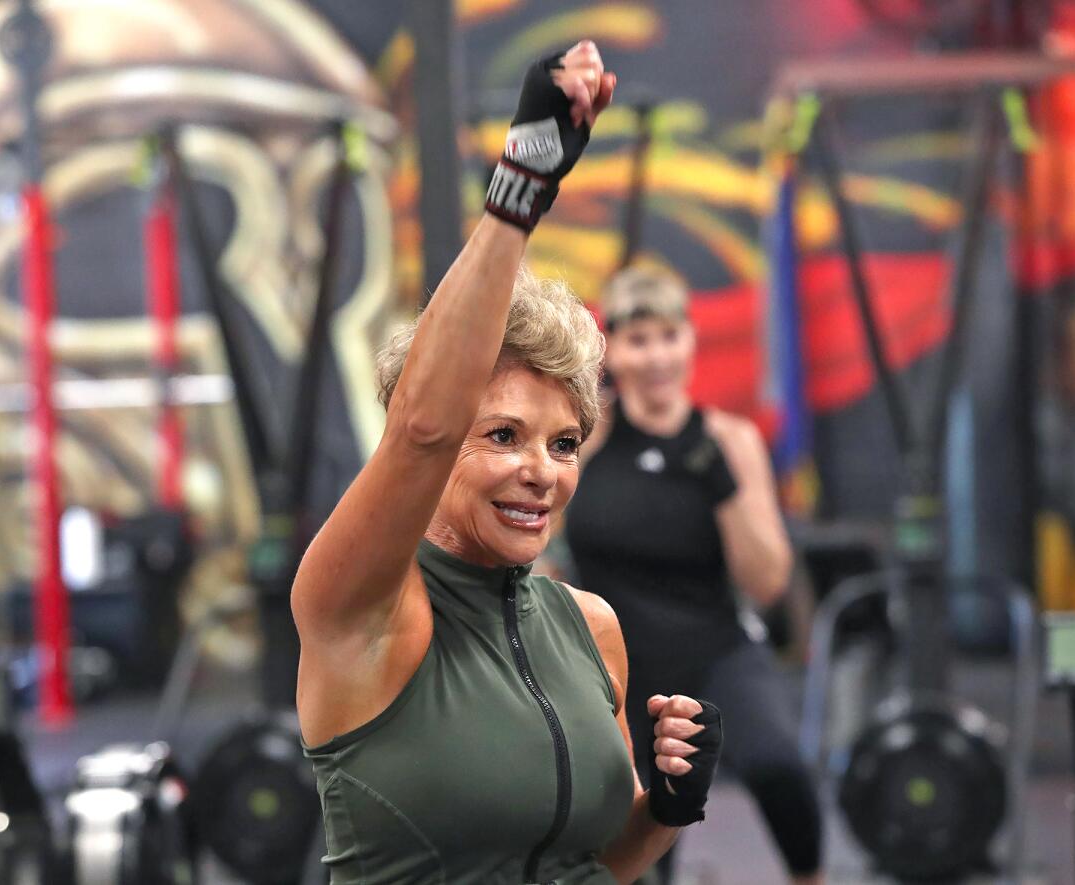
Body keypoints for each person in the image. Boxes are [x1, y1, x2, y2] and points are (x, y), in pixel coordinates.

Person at [291, 43, 723, 884]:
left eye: (563, 444)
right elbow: (420, 428)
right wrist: (518, 193)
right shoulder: (363, 608)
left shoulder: (590, 627)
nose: (542, 471)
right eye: (501, 435)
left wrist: (666, 807)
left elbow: (597, 858)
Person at [564, 267, 824, 885]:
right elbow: (533, 539)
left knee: (779, 766)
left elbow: (768, 583)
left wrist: (723, 486)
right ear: (612, 352)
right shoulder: (588, 438)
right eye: (637, 340)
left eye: (668, 336)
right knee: (642, 826)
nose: (655, 356)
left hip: (716, 650)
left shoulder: (729, 441)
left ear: (690, 342)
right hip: (618, 669)